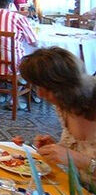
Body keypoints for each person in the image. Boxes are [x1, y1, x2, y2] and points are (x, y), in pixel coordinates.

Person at [19, 48, 96, 177]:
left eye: (47, 89)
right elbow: (76, 154)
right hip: (74, 185)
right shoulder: (64, 106)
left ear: (69, 86)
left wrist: (80, 160)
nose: (40, 94)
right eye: (37, 87)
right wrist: (56, 148)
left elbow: (79, 159)